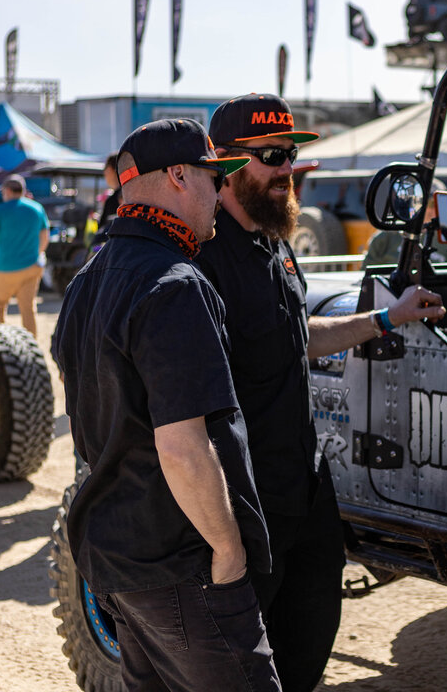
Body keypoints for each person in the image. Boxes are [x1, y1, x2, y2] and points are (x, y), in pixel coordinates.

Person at [198, 92, 446, 691]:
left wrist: (387, 318)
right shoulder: (202, 256)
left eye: (292, 155)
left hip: (303, 483)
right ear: (226, 162)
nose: (288, 169)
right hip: (244, 495)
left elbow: (298, 335)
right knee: (234, 664)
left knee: (307, 641)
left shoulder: (274, 241)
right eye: (273, 156)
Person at [51, 118, 282, 691]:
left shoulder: (87, 279)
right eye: (213, 178)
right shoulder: (175, 284)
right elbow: (182, 449)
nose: (220, 192)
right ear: (179, 175)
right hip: (182, 562)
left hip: (117, 556)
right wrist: (228, 551)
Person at [0, 174, 49, 337]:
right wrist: (37, 254)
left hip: (4, 269)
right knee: (28, 309)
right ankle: (32, 345)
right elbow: (45, 237)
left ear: (8, 191)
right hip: (31, 268)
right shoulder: (37, 208)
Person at [363, 178, 447, 267]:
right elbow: (367, 272)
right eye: (432, 203)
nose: (435, 209)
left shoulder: (445, 242)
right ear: (416, 203)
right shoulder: (386, 238)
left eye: (439, 204)